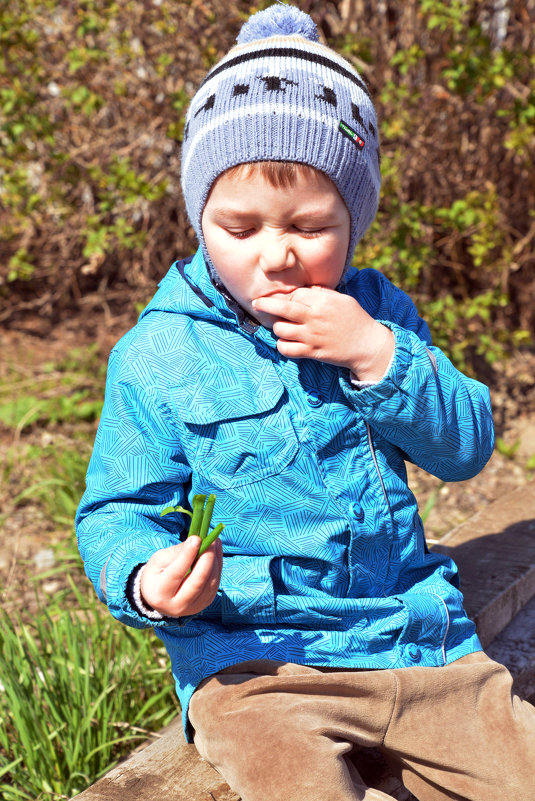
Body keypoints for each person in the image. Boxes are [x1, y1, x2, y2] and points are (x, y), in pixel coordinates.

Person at [75, 5, 535, 800]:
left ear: (352, 221)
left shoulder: (378, 315)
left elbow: (464, 450)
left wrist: (375, 355)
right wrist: (149, 576)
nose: (277, 253)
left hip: (416, 643)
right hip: (259, 665)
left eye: (310, 225)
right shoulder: (158, 355)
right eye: (240, 226)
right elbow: (115, 511)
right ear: (198, 218)